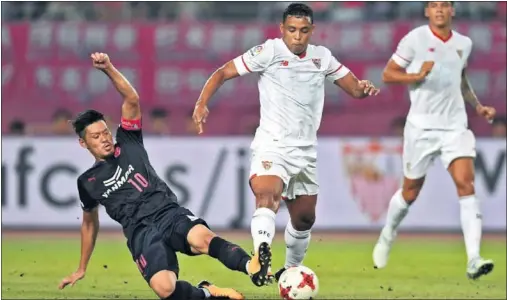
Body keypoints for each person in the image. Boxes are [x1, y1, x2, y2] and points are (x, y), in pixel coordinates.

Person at [58, 52, 273, 300]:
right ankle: (208, 292)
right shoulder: (87, 183)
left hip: (167, 212)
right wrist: (82, 267)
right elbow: (88, 223)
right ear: (83, 144)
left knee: (202, 239)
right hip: (140, 232)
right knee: (165, 289)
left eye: (105, 132)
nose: (105, 139)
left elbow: (131, 98)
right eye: (96, 137)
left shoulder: (128, 142)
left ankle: (252, 266)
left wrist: (108, 68)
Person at [192, 3, 380, 281]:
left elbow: (353, 88)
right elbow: (222, 72)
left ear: (312, 31)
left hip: (305, 151)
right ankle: (261, 254)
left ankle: (290, 270)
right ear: (282, 29)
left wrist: (364, 89)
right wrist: (202, 103)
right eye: (292, 30)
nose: (297, 36)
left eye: (304, 31)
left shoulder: (322, 57)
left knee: (304, 219)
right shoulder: (267, 52)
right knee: (267, 195)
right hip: (273, 144)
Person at [374, 1, 497, 280]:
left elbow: (461, 79)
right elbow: (387, 74)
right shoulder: (414, 39)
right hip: (421, 128)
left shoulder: (464, 43)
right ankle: (388, 233)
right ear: (427, 11)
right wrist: (416, 76)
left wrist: (478, 107)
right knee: (410, 192)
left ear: (452, 11)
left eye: (445, 5)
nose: (439, 9)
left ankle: (473, 259)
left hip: (455, 127)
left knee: (466, 184)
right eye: (434, 5)